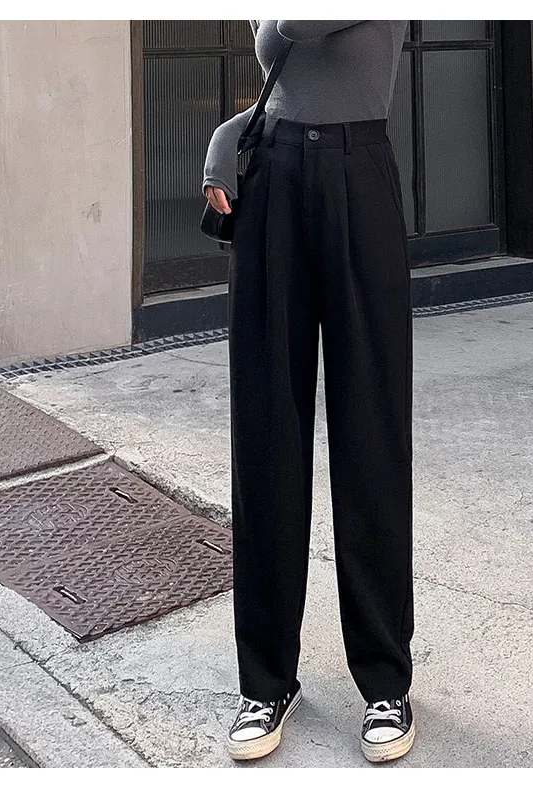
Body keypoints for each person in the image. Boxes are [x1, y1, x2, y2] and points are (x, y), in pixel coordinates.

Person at [202, 20, 414, 764]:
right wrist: (225, 141)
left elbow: (299, 24)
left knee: (372, 434)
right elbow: (287, 92)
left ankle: (385, 680)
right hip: (274, 187)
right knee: (266, 433)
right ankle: (265, 681)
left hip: (362, 178)